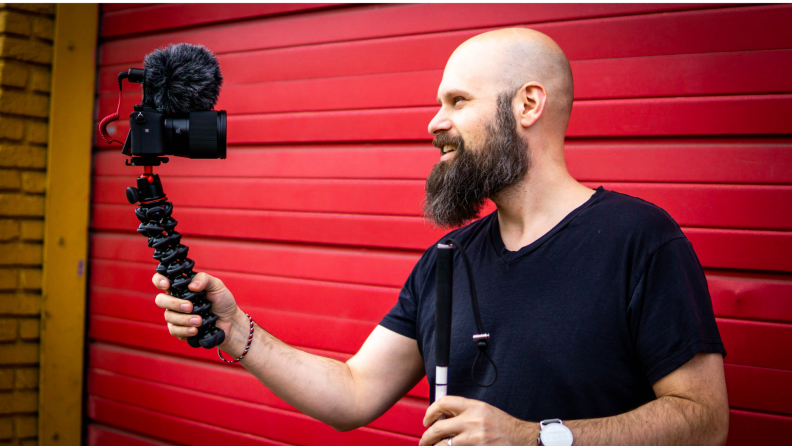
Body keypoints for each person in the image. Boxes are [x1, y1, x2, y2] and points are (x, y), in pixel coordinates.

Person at [153, 28, 729, 446]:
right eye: (438, 103)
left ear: (528, 104)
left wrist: (535, 437)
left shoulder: (639, 238)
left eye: (458, 101)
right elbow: (354, 393)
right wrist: (236, 332)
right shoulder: (447, 261)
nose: (434, 122)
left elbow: (704, 422)